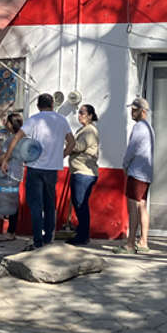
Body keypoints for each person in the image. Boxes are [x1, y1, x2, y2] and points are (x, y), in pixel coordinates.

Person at [1, 93, 74, 250]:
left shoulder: (34, 120)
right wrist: (61, 156)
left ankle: (37, 240)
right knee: (49, 204)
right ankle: (48, 239)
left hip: (34, 168)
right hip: (52, 170)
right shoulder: (62, 120)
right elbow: (72, 142)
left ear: (38, 106)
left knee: (36, 206)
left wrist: (6, 159)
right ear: (52, 105)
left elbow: (16, 138)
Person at [115, 97, 155, 254]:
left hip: (137, 172)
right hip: (146, 172)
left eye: (135, 109)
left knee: (133, 207)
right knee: (142, 206)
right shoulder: (149, 128)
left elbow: (132, 149)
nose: (132, 112)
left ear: (143, 111)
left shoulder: (139, 127)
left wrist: (125, 164)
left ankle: (130, 243)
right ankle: (143, 241)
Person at [67, 104, 100, 246]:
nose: (79, 115)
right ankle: (82, 233)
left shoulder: (90, 131)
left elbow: (77, 146)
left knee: (81, 204)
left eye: (83, 113)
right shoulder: (83, 130)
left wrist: (67, 139)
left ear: (90, 115)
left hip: (84, 172)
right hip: (79, 171)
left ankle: (83, 235)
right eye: (79, 113)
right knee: (78, 203)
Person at [0, 112, 25, 242]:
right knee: (12, 202)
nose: (5, 124)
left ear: (12, 124)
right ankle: (11, 231)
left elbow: (7, 156)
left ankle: (10, 232)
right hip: (17, 173)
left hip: (9, 174)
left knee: (9, 203)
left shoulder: (12, 139)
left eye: (7, 121)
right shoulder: (22, 139)